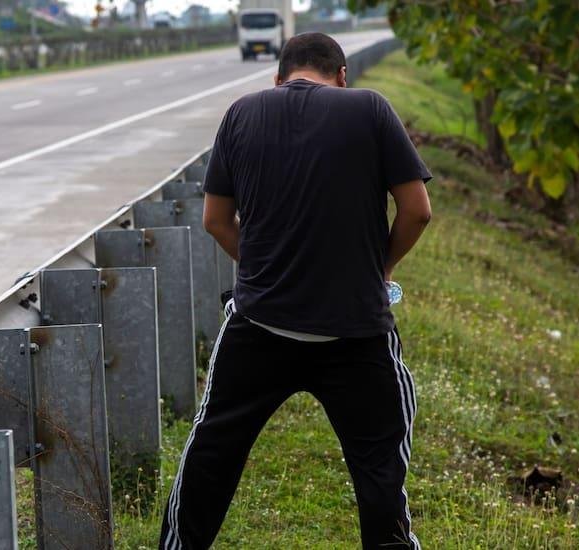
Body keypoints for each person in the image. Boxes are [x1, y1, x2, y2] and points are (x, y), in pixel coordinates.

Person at [159, 32, 433, 549]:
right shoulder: (370, 110)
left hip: (259, 328)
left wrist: (263, 267)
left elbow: (216, 221)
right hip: (356, 333)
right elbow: (417, 210)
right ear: (342, 76)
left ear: (278, 77)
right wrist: (381, 268)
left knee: (210, 456)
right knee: (380, 476)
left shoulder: (242, 112)